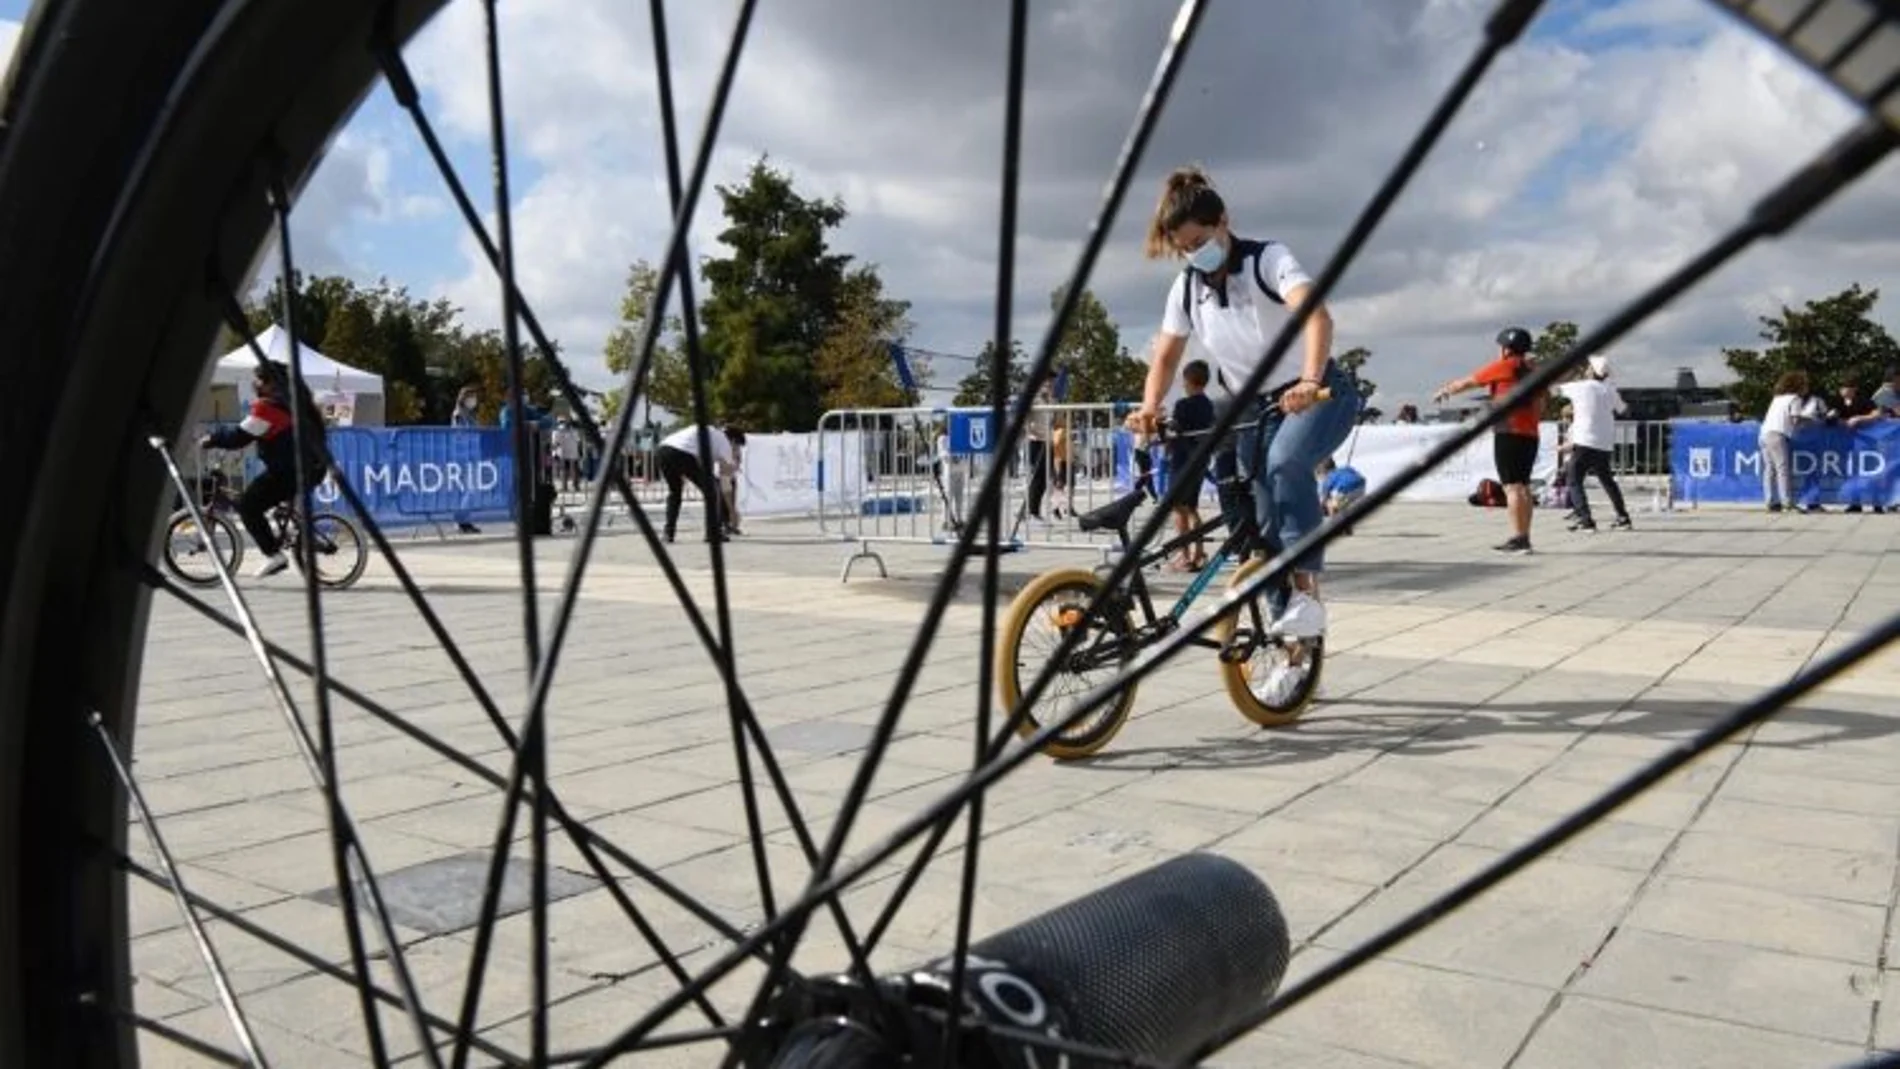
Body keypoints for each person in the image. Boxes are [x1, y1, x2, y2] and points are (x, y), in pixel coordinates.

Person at [1128, 166, 1361, 642]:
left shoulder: (1267, 259)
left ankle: (1304, 593)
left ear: (1223, 222)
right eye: (1184, 248)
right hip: (1254, 407)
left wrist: (1311, 379)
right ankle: (1292, 645)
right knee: (1262, 526)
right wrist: (1150, 407)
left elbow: (1317, 317)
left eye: (1199, 241)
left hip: (1317, 392)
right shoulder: (1187, 288)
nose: (1194, 254)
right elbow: (1168, 355)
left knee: (1283, 464)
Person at [198, 360, 330, 577]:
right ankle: (303, 536)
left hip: (290, 472)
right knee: (270, 497)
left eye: (259, 379)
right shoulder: (297, 403)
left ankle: (274, 555)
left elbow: (239, 436)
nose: (255, 383)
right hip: (312, 467)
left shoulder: (269, 407)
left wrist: (212, 439)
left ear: (271, 384)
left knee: (248, 505)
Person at [1434, 327, 1545, 555]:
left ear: (1506, 348)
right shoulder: (1533, 371)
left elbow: (1469, 382)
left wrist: (1445, 390)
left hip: (1508, 432)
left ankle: (1518, 539)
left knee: (1512, 488)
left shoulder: (1506, 365)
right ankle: (1525, 536)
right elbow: (1542, 405)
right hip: (1530, 434)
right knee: (1523, 487)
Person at [1554, 354, 1632, 533]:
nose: (1586, 369)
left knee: (1573, 480)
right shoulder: (1609, 390)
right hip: (1604, 442)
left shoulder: (1580, 387)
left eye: (1588, 367)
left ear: (1592, 371)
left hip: (1584, 440)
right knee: (1607, 480)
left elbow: (1555, 390)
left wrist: (1569, 372)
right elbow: (1624, 409)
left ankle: (1585, 519)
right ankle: (1623, 517)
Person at [1167, 359, 1217, 570]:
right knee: (1193, 509)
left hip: (1181, 459)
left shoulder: (1182, 405)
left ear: (1187, 380)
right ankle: (1199, 552)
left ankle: (1184, 555)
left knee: (1179, 509)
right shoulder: (1208, 405)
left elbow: (1174, 430)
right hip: (1200, 458)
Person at [656, 423, 733, 543]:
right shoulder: (724, 441)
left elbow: (702, 465)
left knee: (675, 492)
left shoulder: (709, 433)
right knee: (713, 490)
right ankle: (712, 533)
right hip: (682, 453)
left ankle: (668, 533)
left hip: (662, 450)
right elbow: (725, 479)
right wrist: (732, 510)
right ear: (733, 441)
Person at [1758, 370, 1813, 513]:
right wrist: (1811, 420)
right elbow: (1795, 420)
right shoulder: (1795, 399)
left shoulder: (1777, 398)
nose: (1807, 387)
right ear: (1799, 385)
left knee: (1769, 469)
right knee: (1782, 469)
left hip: (1764, 433)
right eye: (1805, 384)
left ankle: (1771, 502)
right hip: (1777, 434)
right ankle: (1787, 503)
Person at [449, 384, 483, 535]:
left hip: (472, 454)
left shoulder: (470, 414)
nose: (473, 400)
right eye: (471, 397)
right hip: (463, 455)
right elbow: (460, 433)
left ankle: (465, 519)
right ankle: (461, 521)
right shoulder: (459, 414)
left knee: (471, 489)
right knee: (467, 488)